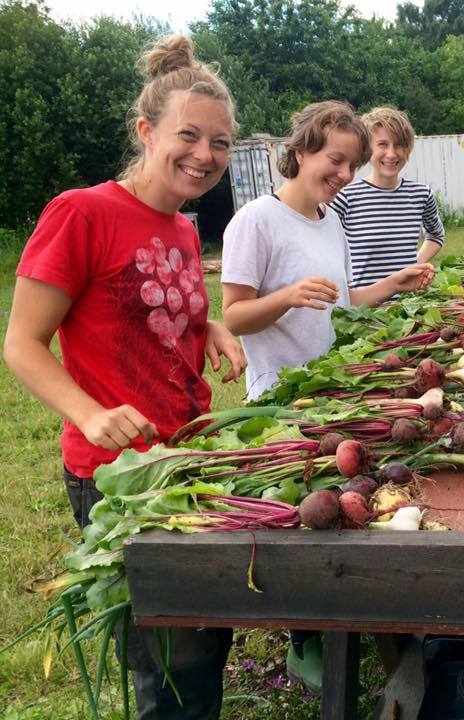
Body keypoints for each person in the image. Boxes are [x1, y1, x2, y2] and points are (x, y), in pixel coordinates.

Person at [4, 35, 245, 719]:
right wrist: (88, 413)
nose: (205, 155)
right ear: (147, 131)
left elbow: (162, 311)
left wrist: (212, 328)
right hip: (122, 473)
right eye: (189, 136)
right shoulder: (81, 213)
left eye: (220, 144)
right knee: (167, 663)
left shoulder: (182, 229)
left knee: (206, 641)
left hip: (191, 457)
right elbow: (21, 343)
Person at [220, 100, 434, 691]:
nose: (342, 174)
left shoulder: (330, 220)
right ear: (302, 149)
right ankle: (303, 640)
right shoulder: (255, 221)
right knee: (304, 519)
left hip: (332, 390)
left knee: (336, 507)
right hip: (282, 400)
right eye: (333, 160)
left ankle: (357, 620)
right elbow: (233, 317)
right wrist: (286, 296)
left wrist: (397, 282)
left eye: (350, 165)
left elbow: (347, 301)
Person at [329, 106, 445, 288]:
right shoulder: (345, 198)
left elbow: (436, 235)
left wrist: (413, 265)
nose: (391, 154)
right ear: (367, 150)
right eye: (382, 144)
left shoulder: (421, 195)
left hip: (407, 309)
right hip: (364, 311)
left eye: (399, 145)